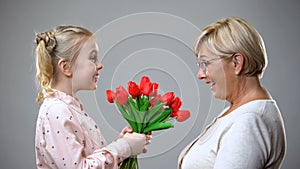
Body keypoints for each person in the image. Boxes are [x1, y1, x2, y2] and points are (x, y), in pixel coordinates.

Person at [34, 25, 151, 169]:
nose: (100, 65)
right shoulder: (56, 111)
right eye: (92, 58)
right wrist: (124, 147)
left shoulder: (70, 107)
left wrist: (122, 142)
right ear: (66, 67)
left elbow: (88, 158)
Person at [178, 17, 286, 169]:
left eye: (206, 63)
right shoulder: (240, 111)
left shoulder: (249, 121)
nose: (200, 74)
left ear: (237, 63)